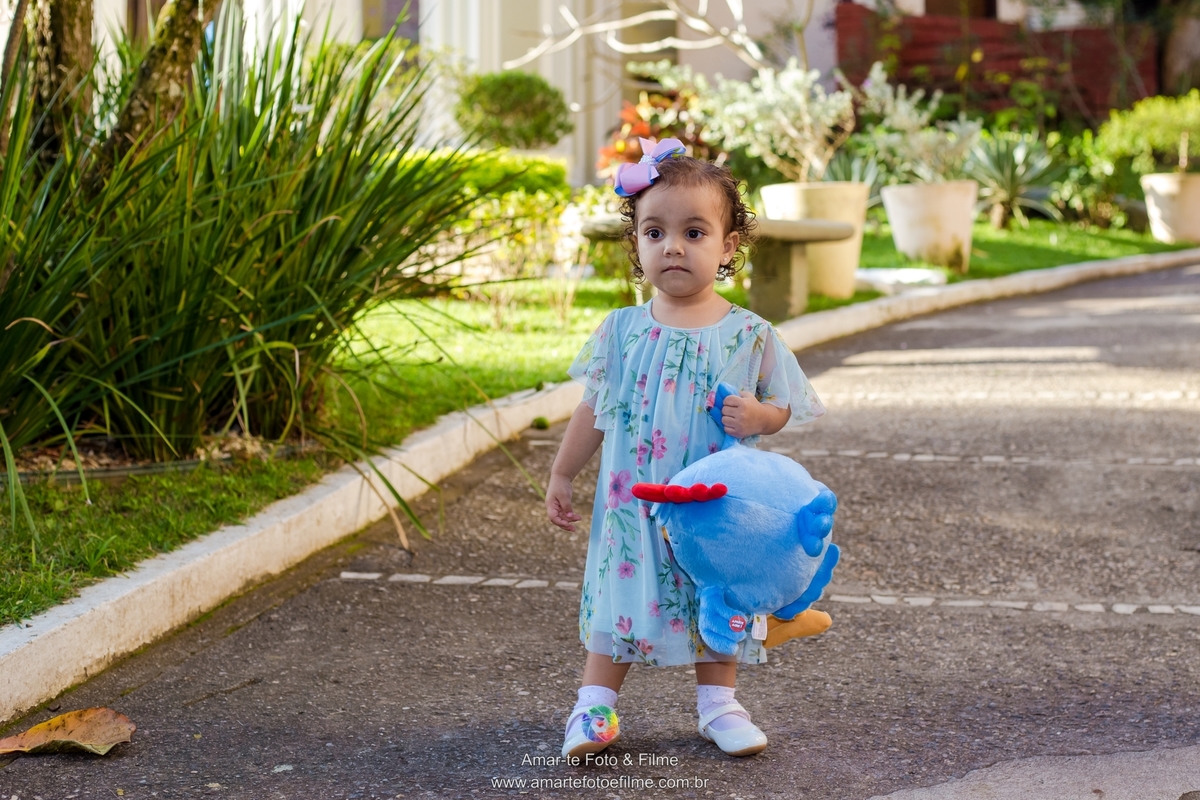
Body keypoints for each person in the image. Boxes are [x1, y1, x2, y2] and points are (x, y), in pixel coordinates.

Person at [544, 139, 826, 760]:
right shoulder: (621, 332)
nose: (673, 246)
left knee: (715, 589)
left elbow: (782, 406)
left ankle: (718, 706)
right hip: (631, 503)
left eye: (694, 232)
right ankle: (595, 707)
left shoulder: (750, 336)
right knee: (622, 591)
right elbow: (594, 409)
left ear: (727, 247)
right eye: (655, 231)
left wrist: (759, 415)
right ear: (637, 245)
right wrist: (564, 473)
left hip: (714, 508)